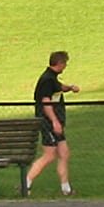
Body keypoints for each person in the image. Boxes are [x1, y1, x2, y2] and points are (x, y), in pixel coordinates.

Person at [23, 50, 78, 196]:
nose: (65, 66)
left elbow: (59, 88)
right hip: (48, 122)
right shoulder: (46, 79)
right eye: (64, 64)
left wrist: (70, 88)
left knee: (64, 153)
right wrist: (54, 122)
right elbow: (46, 102)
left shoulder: (52, 78)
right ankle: (25, 183)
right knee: (49, 155)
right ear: (60, 64)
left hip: (56, 123)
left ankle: (66, 188)